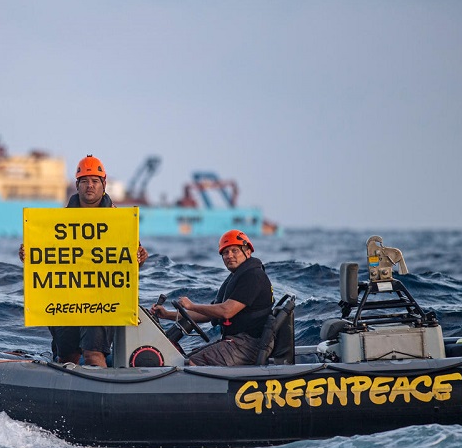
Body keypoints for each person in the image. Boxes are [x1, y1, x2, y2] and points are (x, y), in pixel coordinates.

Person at [19, 154, 148, 367]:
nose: (90, 186)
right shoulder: (59, 221)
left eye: (95, 181)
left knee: (93, 354)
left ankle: (106, 394)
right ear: (77, 185)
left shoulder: (120, 221)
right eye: (85, 181)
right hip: (66, 300)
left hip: (102, 300)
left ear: (104, 184)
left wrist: (141, 258)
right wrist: (29, 256)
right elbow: (45, 259)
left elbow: (131, 263)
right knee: (66, 357)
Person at [150, 230, 273, 366]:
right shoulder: (236, 277)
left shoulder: (253, 276)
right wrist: (167, 315)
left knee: (190, 364)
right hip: (237, 341)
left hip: (248, 346)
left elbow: (227, 311)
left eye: (234, 251)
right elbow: (207, 314)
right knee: (182, 358)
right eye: (225, 253)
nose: (229, 256)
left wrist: (192, 305)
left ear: (248, 252)